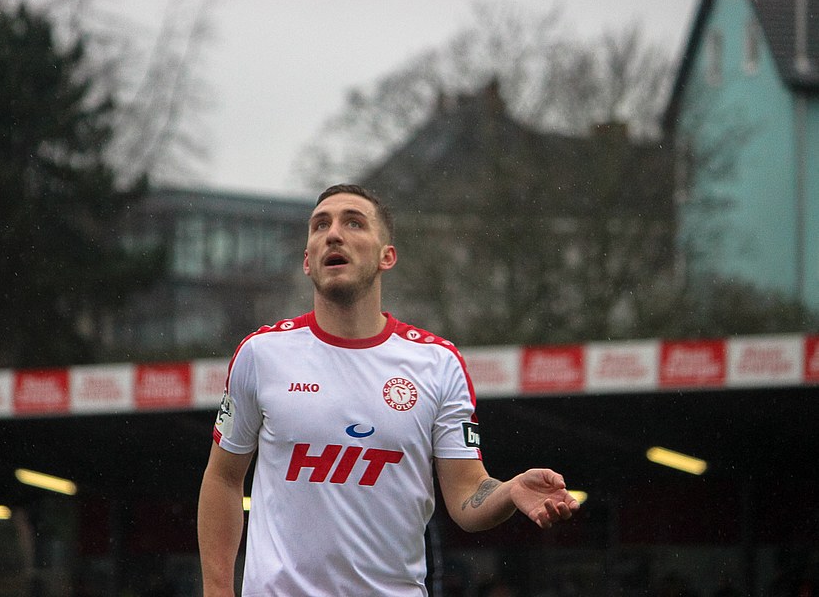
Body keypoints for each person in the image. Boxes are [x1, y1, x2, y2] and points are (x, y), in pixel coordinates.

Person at [197, 184, 580, 596]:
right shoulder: (261, 355)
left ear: (387, 256)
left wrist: (509, 490)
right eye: (320, 225)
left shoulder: (437, 363)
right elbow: (223, 478)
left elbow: (468, 493)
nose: (333, 234)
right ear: (307, 261)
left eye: (353, 223)